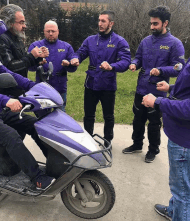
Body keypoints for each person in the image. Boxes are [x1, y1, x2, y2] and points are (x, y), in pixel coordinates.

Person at [0, 10, 55, 190]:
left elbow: (9, 74)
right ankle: (37, 178)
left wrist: (34, 86)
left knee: (36, 125)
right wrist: (5, 101)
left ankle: (56, 164)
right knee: (11, 137)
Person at [122, 6, 185, 163]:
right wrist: (134, 64)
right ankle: (137, 144)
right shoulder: (146, 41)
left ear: (165, 23)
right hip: (141, 88)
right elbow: (138, 57)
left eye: (155, 24)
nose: (151, 27)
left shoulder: (175, 44)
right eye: (151, 23)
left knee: (154, 123)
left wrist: (161, 70)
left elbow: (179, 69)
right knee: (138, 119)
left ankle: (153, 150)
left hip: (158, 91)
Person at [71, 10, 131, 146]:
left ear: (111, 23)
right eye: (99, 20)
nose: (100, 23)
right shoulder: (90, 40)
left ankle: (107, 141)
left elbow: (126, 61)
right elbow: (80, 53)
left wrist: (112, 66)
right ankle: (88, 141)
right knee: (88, 115)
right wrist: (75, 59)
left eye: (103, 21)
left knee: (108, 116)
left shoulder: (119, 41)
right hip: (90, 84)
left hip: (108, 85)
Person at [142, 60, 190, 220]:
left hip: (184, 141)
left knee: (182, 191)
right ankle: (173, 210)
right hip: (180, 135)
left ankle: (180, 214)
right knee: (183, 183)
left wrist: (157, 102)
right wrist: (171, 88)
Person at [28, 20, 77, 112]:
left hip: (60, 87)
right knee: (42, 115)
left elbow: (73, 68)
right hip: (42, 88)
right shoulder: (35, 46)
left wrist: (68, 65)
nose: (51, 34)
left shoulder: (66, 47)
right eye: (48, 31)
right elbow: (29, 67)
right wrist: (38, 63)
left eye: (53, 31)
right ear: (44, 31)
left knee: (60, 115)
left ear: (58, 31)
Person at [0, 4, 49, 78]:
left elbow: (22, 62)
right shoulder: (0, 39)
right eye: (21, 22)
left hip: (20, 85)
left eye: (24, 22)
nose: (25, 26)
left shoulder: (17, 37)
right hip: (9, 87)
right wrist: (31, 56)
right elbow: (9, 67)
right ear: (10, 23)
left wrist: (37, 57)